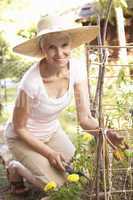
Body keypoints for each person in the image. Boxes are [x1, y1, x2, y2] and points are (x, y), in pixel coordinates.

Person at [4, 14, 124, 194]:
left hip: (51, 132)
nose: (59, 53)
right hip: (22, 139)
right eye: (52, 47)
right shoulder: (30, 83)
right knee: (60, 188)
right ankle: (15, 167)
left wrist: (104, 133)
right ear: (43, 49)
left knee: (82, 177)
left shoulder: (76, 70)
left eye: (64, 45)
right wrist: (49, 153)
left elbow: (84, 119)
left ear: (71, 45)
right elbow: (19, 128)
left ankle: (33, 166)